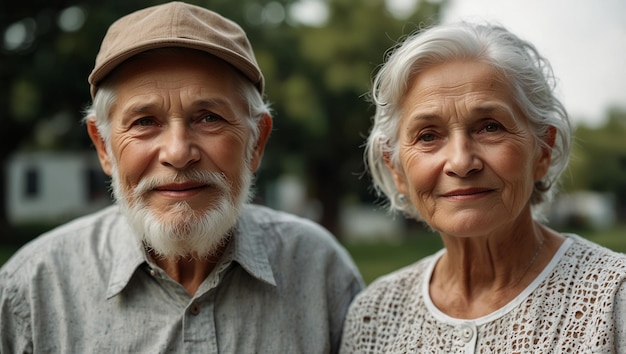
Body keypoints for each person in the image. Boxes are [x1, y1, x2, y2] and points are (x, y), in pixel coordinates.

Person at [0, 2, 364, 352]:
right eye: (144, 122)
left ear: (256, 142)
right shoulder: (32, 290)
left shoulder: (319, 269)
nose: (177, 153)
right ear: (103, 147)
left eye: (209, 118)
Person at [340, 21, 626, 353]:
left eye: (490, 127)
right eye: (428, 135)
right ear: (397, 168)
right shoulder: (374, 316)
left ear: (543, 151)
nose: (461, 162)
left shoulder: (614, 299)